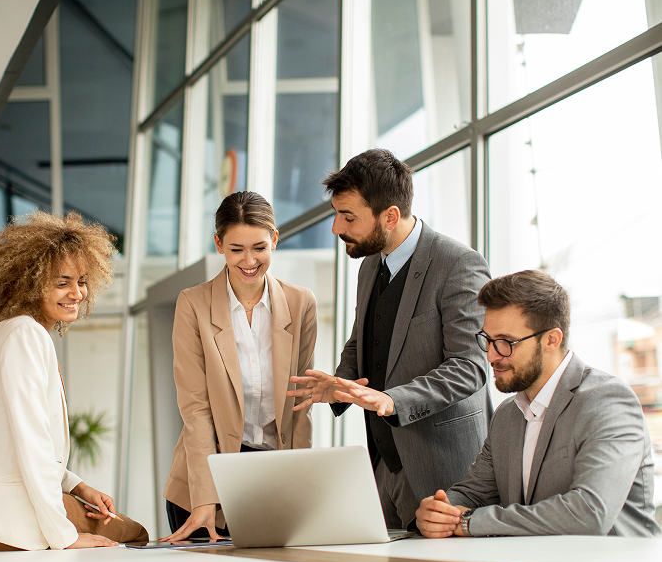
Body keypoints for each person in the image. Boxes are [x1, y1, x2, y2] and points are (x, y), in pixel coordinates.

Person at [0, 212, 148, 562]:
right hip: (1, 523)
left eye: (82, 282)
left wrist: (75, 484)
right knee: (133, 533)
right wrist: (65, 537)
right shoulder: (27, 336)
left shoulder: (1, 334)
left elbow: (12, 440)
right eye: (61, 282)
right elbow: (31, 444)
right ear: (29, 282)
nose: (77, 293)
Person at [290, 148, 492, 529]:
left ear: (391, 215)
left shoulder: (458, 264)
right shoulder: (370, 265)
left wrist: (391, 399)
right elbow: (362, 339)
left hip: (446, 471)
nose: (336, 228)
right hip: (384, 465)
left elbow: (470, 367)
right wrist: (339, 383)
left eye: (348, 217)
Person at [415, 270, 661, 538]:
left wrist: (468, 522)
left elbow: (589, 514)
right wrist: (440, 511)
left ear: (551, 340)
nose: (492, 355)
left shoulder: (608, 401)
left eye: (506, 342)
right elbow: (473, 492)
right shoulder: (507, 415)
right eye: (487, 340)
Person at [162, 191, 317, 541]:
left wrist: (302, 486)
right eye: (236, 250)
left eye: (259, 248)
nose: (249, 261)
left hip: (273, 478)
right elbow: (195, 409)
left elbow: (301, 403)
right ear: (218, 244)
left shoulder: (300, 302)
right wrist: (205, 498)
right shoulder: (193, 305)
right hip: (206, 481)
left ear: (275, 240)